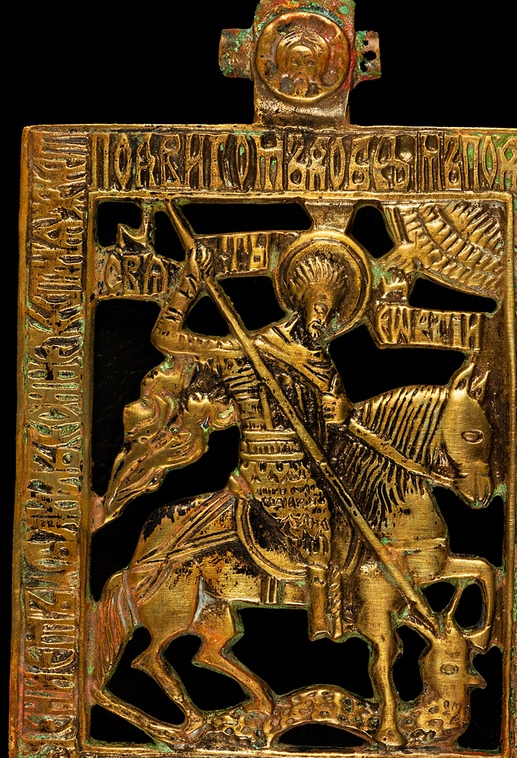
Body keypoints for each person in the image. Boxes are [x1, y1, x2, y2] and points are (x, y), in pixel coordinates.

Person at [146, 225, 371, 639]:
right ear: (301, 303)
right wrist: (189, 281)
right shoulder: (249, 351)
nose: (323, 319)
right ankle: (323, 619)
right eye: (320, 306)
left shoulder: (323, 366)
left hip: (318, 464)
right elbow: (165, 337)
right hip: (269, 466)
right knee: (316, 522)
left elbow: (336, 429)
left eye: (331, 312)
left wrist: (342, 413)